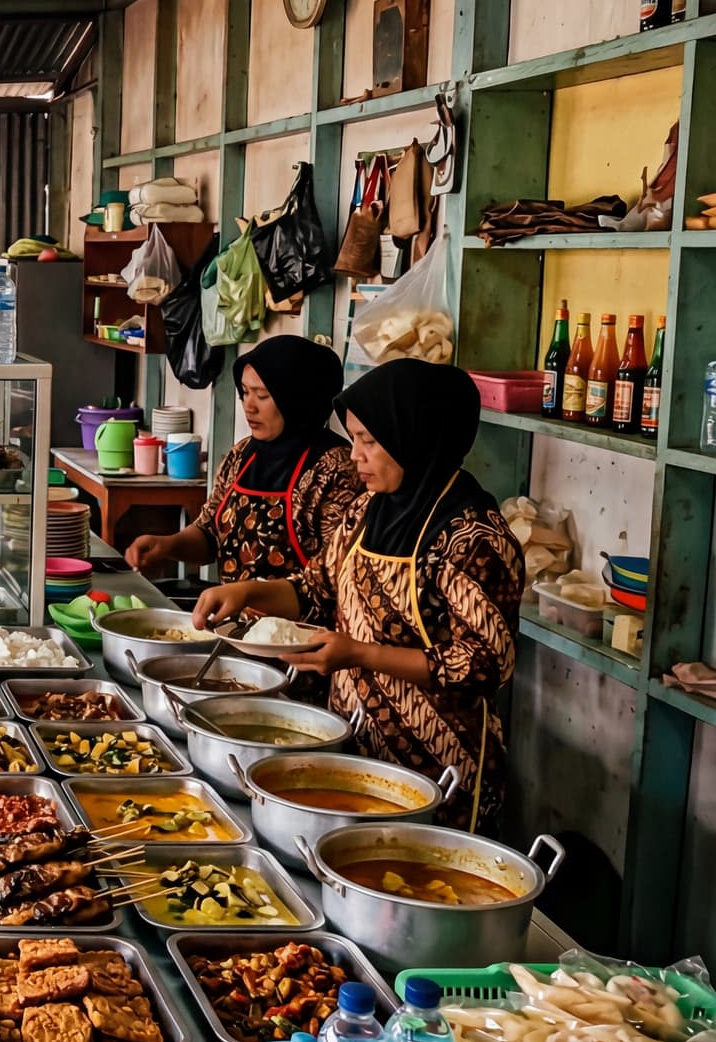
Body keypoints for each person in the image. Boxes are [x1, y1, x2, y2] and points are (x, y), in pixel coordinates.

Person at [193, 359, 525, 831]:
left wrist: (360, 654)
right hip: (353, 742)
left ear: (415, 436)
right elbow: (315, 588)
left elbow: (483, 664)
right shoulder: (369, 510)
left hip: (441, 769)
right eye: (354, 440)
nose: (355, 457)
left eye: (369, 442)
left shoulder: (474, 539)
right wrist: (246, 592)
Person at [126, 335, 361, 582]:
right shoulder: (242, 454)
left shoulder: (336, 468)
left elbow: (333, 578)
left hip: (295, 621)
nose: (249, 406)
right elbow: (210, 534)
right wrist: (166, 546)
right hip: (232, 616)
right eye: (244, 393)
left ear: (297, 398)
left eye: (262, 396)